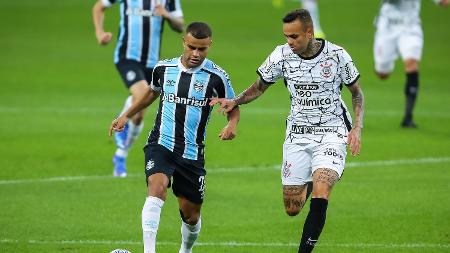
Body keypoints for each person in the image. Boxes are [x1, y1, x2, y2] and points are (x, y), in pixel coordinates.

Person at [210, 9, 364, 253]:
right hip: (298, 133)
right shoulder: (281, 55)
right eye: (286, 37)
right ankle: (314, 176)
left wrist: (356, 127)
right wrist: (236, 101)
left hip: (332, 131)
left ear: (309, 33)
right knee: (292, 208)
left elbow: (356, 92)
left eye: (294, 37)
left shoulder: (337, 55)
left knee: (322, 190)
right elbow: (260, 86)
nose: (289, 42)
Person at [109, 22, 240, 253]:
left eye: (202, 49)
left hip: (191, 153)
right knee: (157, 187)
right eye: (191, 47)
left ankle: (185, 250)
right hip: (161, 143)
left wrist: (232, 123)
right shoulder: (163, 69)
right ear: (183, 42)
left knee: (191, 215)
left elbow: (232, 105)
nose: (196, 54)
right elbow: (151, 93)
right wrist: (125, 116)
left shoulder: (217, 76)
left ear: (210, 45)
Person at [93, 0, 185, 177]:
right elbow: (98, 6)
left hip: (152, 63)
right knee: (143, 95)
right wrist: (99, 32)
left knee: (141, 112)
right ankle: (124, 117)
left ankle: (121, 154)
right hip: (127, 58)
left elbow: (180, 25)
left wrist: (166, 14)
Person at [373, 0, 449, 128]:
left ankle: (408, 118)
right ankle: (389, 55)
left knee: (412, 64)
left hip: (410, 27)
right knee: (382, 74)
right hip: (387, 27)